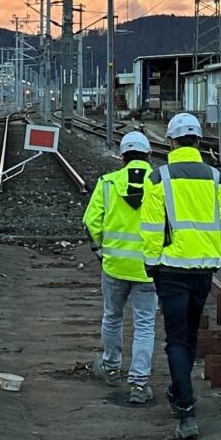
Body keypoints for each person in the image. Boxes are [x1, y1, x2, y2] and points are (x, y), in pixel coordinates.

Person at [140, 113, 221, 440]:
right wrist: (216, 256)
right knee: (190, 336)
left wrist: (152, 264)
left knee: (177, 340)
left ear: (170, 141)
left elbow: (151, 229)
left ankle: (185, 409)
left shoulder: (159, 179)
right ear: (198, 141)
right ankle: (179, 390)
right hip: (203, 271)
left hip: (170, 271)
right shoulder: (217, 180)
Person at [83, 131, 157, 404]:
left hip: (114, 266)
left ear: (122, 157)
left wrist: (101, 252)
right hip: (149, 269)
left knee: (112, 316)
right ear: (149, 156)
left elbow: (91, 223)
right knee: (145, 324)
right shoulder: (159, 184)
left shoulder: (107, 183)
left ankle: (111, 367)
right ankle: (139, 383)